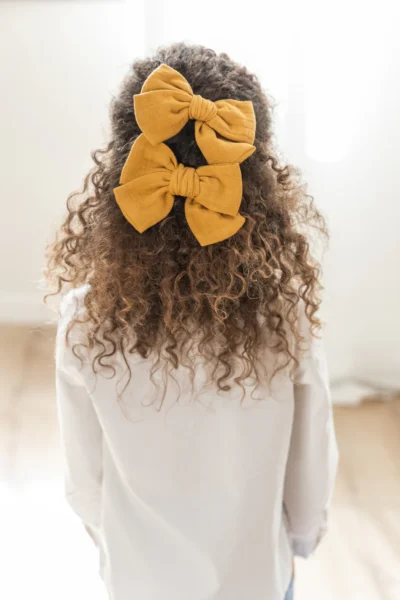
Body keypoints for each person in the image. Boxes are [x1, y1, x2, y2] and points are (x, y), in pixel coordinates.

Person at [46, 43, 338, 600]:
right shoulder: (286, 318)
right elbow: (311, 468)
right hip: (255, 578)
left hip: (138, 581)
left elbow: (84, 483)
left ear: (124, 165)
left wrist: (116, 551)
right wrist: (299, 543)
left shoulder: (83, 321)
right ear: (256, 180)